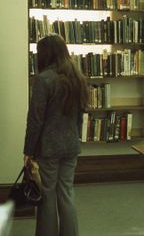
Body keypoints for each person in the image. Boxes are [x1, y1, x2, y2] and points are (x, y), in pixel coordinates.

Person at [23, 34, 88, 236]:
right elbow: (80, 115)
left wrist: (28, 151)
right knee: (66, 193)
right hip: (70, 146)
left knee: (48, 195)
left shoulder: (43, 80)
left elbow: (35, 120)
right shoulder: (76, 76)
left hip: (48, 148)